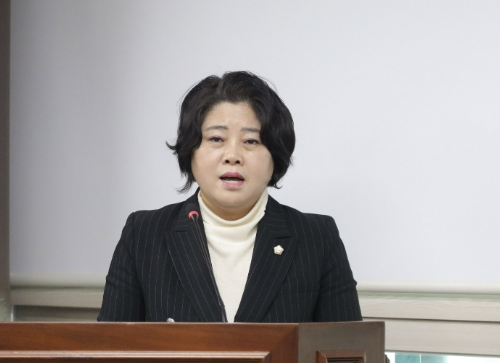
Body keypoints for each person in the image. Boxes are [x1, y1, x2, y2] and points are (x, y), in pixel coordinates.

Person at [98, 71, 361, 323]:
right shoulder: (144, 235)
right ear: (191, 150)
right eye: (216, 139)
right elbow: (110, 348)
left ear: (275, 154)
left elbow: (348, 349)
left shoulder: (317, 238)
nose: (232, 155)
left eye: (251, 141)